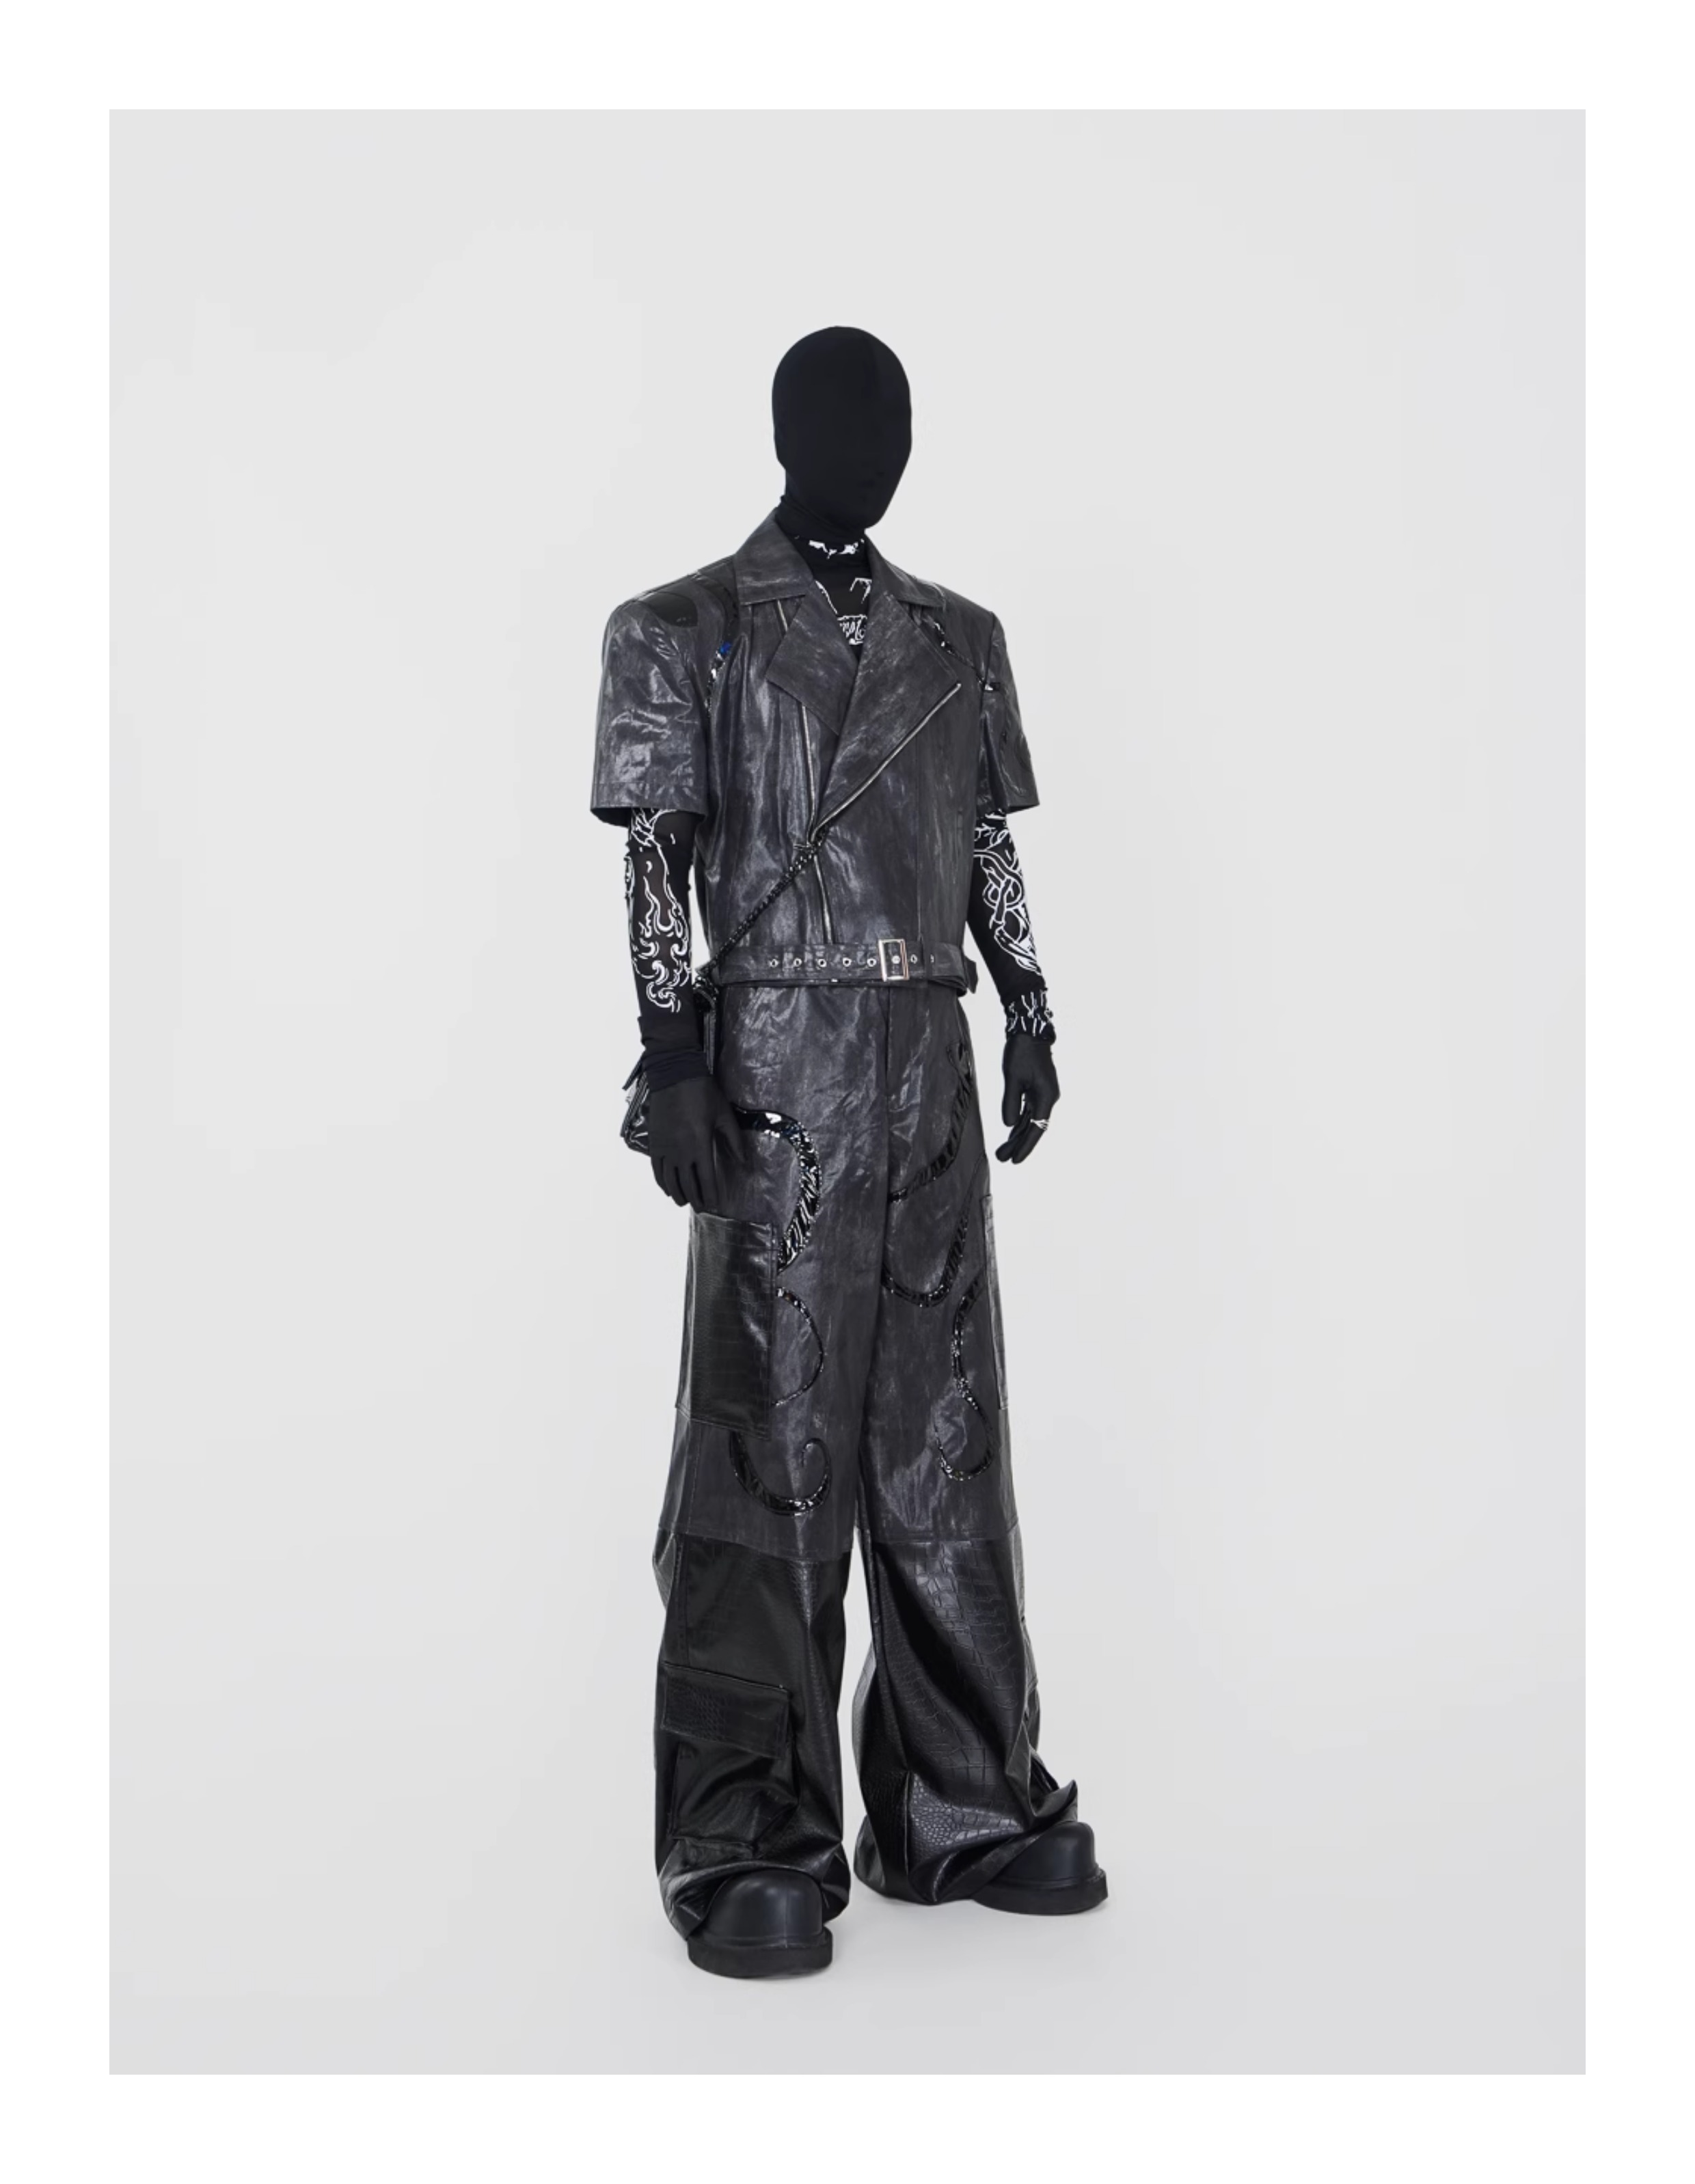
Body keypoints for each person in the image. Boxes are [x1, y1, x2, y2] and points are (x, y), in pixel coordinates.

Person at [591, 326, 1107, 1979]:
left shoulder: (960, 637)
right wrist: (674, 1051)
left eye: (893, 425)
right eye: (842, 420)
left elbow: (981, 845)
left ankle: (965, 1800)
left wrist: (1029, 1009)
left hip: (924, 1072)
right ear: (785, 432)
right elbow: (656, 859)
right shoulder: (680, 627)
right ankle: (746, 1825)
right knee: (769, 1445)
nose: (872, 450)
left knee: (942, 1439)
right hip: (777, 1070)